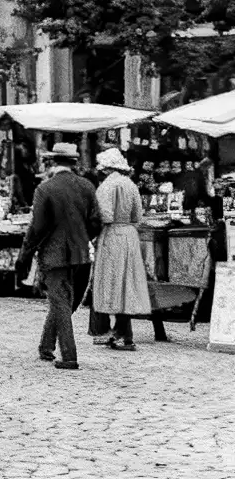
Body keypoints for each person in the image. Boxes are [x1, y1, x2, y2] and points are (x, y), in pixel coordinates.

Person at [17, 142, 103, 370]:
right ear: (73, 163)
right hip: (81, 254)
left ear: (52, 163)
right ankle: (46, 346)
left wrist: (25, 254)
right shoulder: (87, 186)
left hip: (54, 254)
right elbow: (96, 222)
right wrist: (83, 237)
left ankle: (69, 355)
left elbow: (36, 228)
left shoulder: (45, 189)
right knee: (64, 302)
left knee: (61, 303)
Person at [89, 147, 150, 351]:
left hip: (112, 235)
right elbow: (138, 215)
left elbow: (105, 215)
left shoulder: (106, 187)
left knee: (111, 283)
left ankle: (114, 332)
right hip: (129, 235)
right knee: (127, 284)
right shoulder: (131, 185)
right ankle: (123, 332)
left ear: (106, 169)